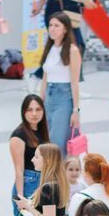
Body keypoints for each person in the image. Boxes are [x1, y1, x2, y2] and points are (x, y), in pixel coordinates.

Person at [34, 13, 82, 146]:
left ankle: (59, 167)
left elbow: (74, 83)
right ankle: (50, 167)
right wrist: (40, 100)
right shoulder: (50, 48)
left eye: (57, 25)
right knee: (47, 138)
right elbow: (45, 76)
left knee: (57, 141)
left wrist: (75, 111)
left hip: (64, 98)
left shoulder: (72, 51)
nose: (52, 29)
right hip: (49, 98)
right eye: (50, 25)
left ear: (65, 29)